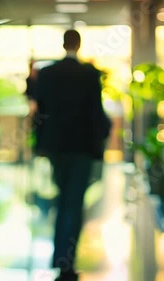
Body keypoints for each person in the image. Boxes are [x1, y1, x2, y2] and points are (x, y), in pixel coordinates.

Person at [36, 29, 111, 281]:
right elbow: (96, 114)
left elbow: (40, 112)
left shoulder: (47, 74)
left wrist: (41, 145)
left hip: (56, 147)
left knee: (62, 200)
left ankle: (60, 258)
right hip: (81, 148)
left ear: (63, 43)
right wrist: (100, 148)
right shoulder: (89, 74)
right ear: (78, 45)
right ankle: (67, 262)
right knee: (74, 204)